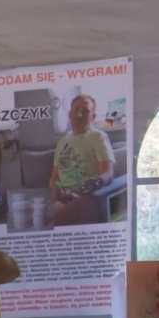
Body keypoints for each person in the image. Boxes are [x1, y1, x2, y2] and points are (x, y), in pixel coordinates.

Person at [50, 94, 115, 226]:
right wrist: (54, 198)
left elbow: (108, 173)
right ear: (69, 114)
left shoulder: (98, 137)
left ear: (93, 116)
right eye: (76, 110)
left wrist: (97, 182)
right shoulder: (62, 142)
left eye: (85, 111)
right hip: (63, 197)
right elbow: (54, 177)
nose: (79, 115)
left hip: (86, 197)